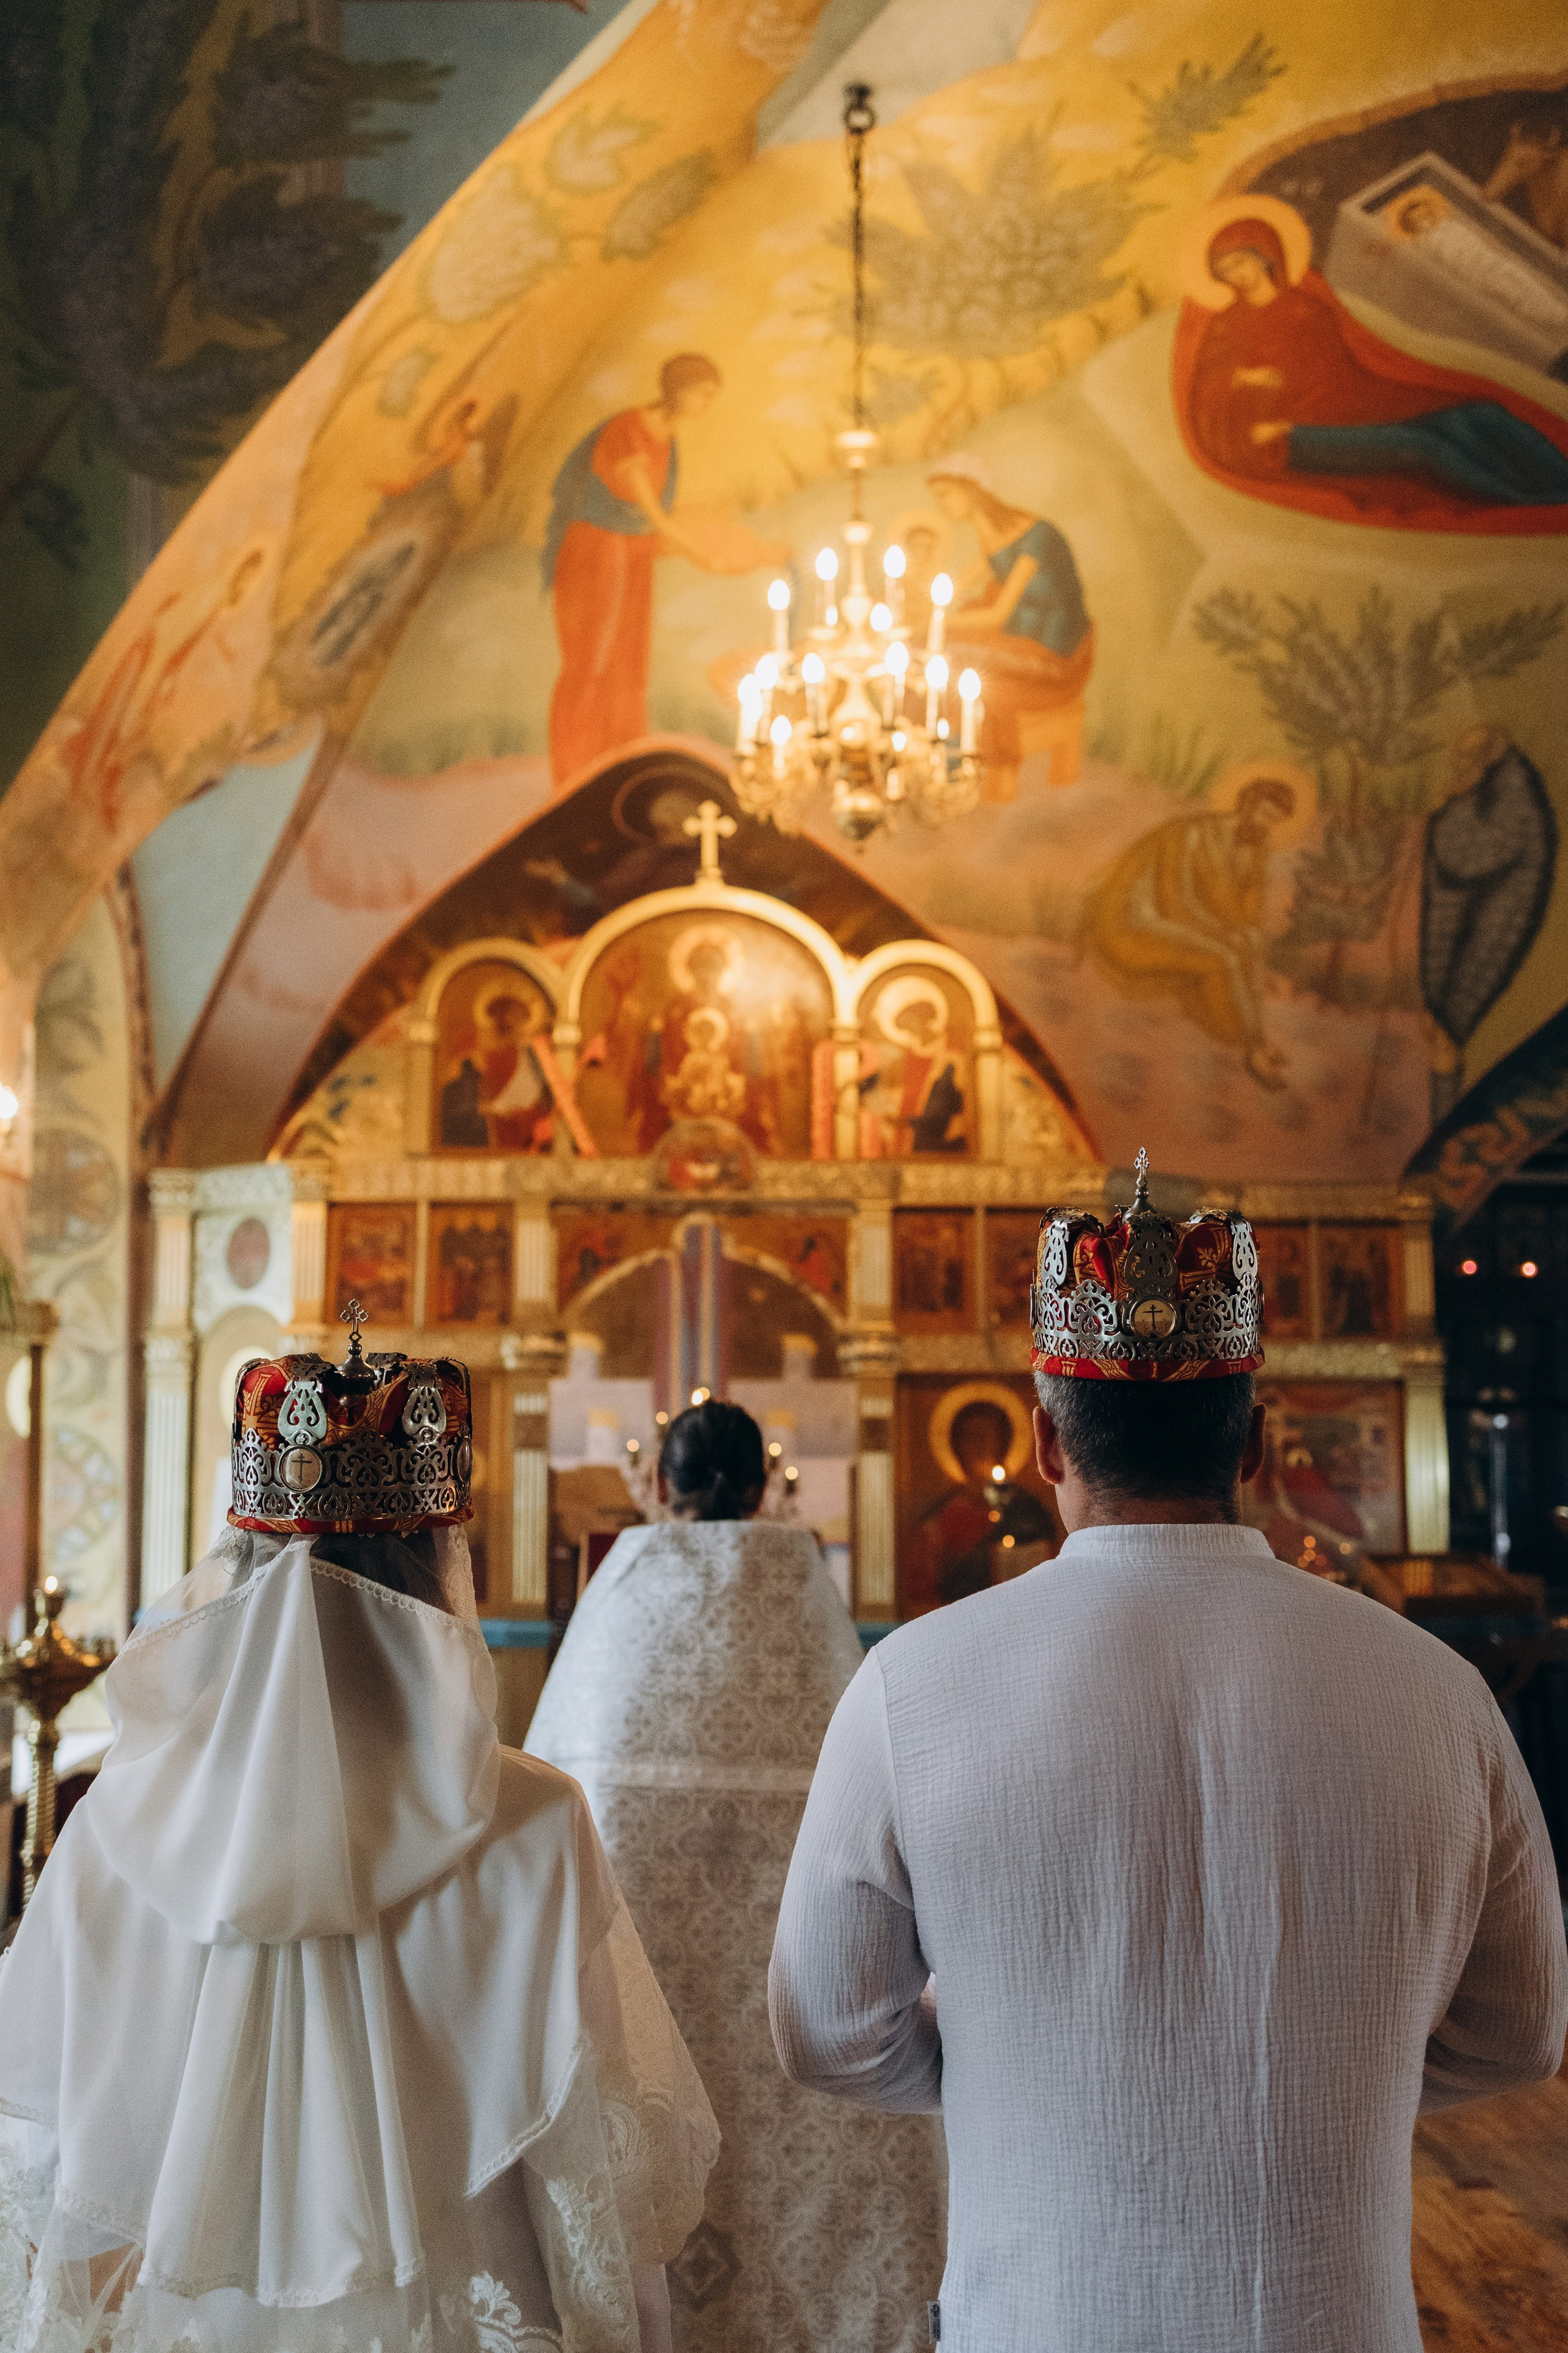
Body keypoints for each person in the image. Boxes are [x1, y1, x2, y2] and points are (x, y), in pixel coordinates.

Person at [771, 1157, 1567, 2353]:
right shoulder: (1438, 1694)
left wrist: (1023, 2065)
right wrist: (1332, 2075)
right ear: (1253, 1444)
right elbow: (1519, 2031)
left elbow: (826, 2032)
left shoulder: (911, 1686)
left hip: (1035, 2324)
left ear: (1043, 1443)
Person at [0, 1312, 717, 2352]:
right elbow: (585, 2177)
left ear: (241, 1566)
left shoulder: (122, 1819)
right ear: (437, 1575)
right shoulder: (538, 1823)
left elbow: (56, 2149)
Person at [527, 1400, 946, 2353]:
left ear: (661, 1486)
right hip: (795, 2010)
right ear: (763, 1484)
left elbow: (557, 1801)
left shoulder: (618, 1599)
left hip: (645, 1985)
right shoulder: (805, 1600)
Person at [1175, 210, 1568, 529]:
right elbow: (1209, 395)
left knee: (1477, 412)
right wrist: (1249, 386)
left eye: (1240, 261)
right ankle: (1542, 505)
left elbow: (1343, 366)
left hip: (1347, 402)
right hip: (1284, 437)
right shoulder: (1228, 326)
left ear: (1263, 252)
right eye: (1225, 270)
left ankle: (1561, 479)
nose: (1236, 275)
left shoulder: (1308, 306)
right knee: (1424, 447)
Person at [1078, 773, 1296, 1089]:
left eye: (1274, 822)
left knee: (1239, 948)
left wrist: (1258, 966)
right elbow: (1176, 903)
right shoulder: (1191, 834)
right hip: (1134, 921)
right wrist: (1226, 936)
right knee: (1226, 958)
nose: (1266, 826)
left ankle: (1252, 1037)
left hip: (1179, 925)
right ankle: (1255, 1049)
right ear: (1246, 805)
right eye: (1264, 815)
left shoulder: (1256, 851)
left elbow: (1248, 923)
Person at [927, 456, 1094, 796]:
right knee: (932, 654)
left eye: (945, 495)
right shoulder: (991, 531)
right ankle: (945, 744)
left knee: (955, 653)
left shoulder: (1038, 536)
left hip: (1053, 650)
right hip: (1021, 635)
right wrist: (930, 603)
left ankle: (959, 755)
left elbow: (998, 614)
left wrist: (937, 620)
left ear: (970, 491)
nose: (941, 505)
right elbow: (965, 579)